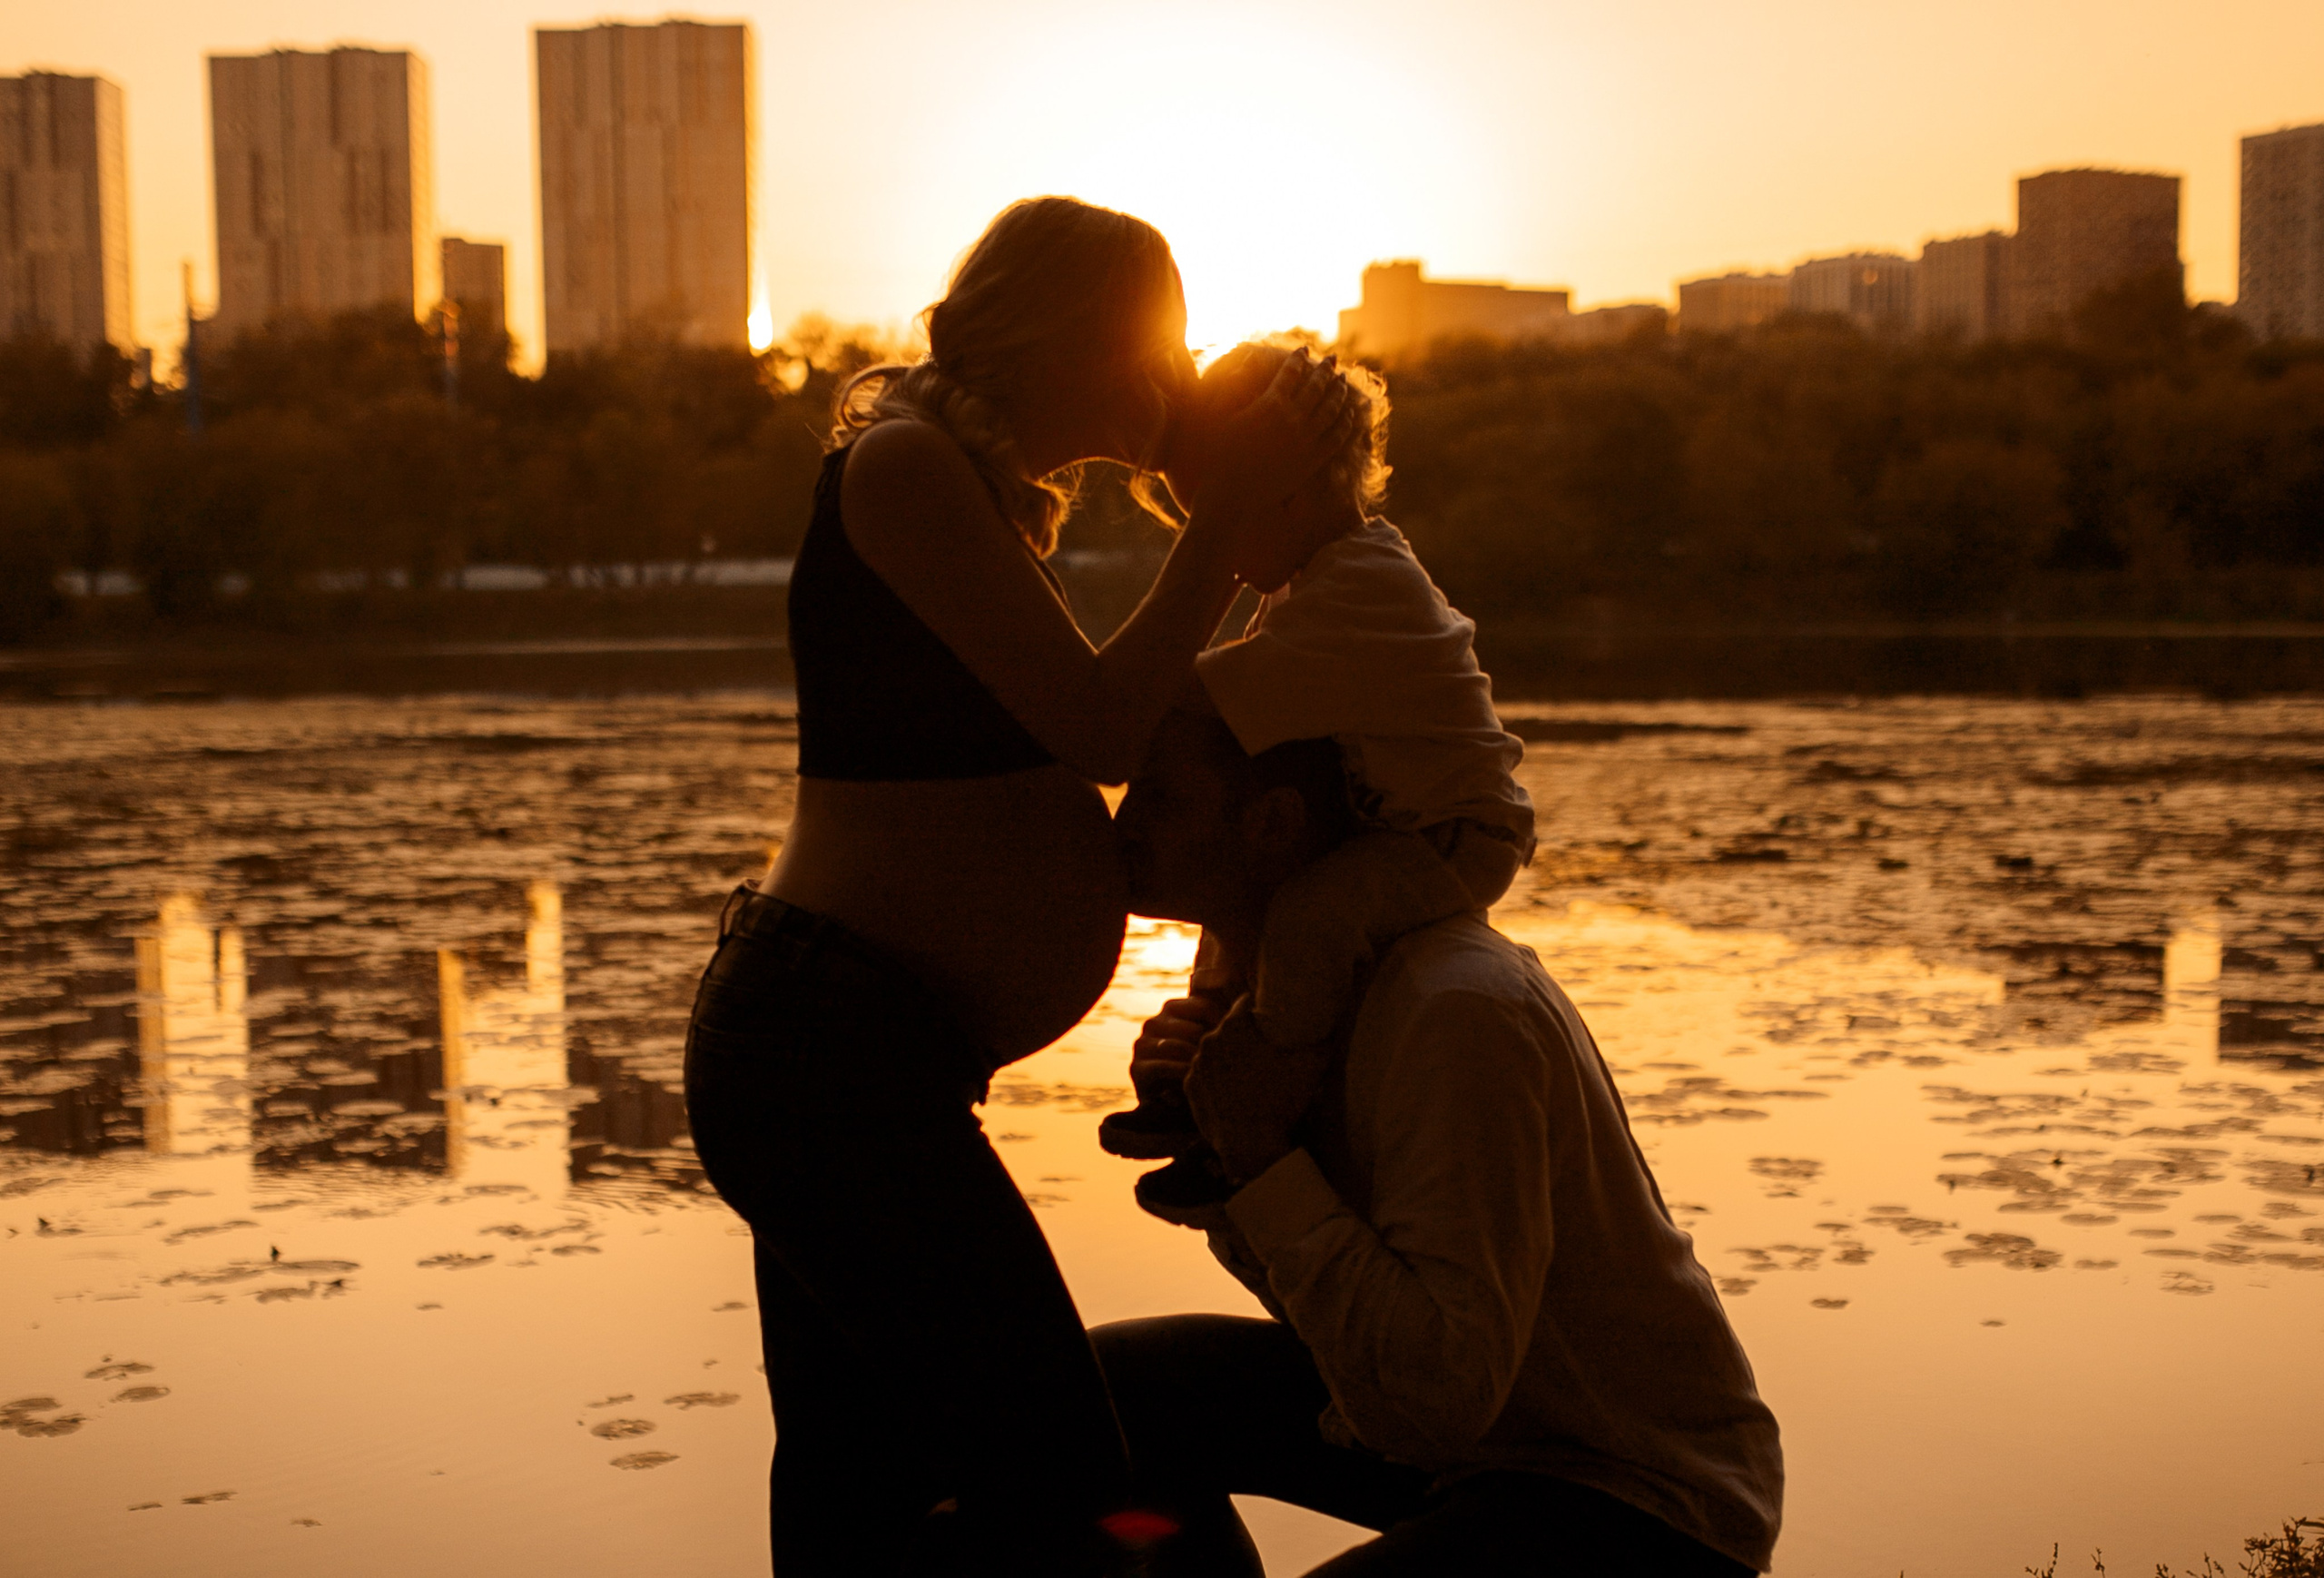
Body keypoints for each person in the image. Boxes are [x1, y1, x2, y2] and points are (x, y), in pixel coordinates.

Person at [681, 197, 1354, 1577]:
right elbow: (1103, 727)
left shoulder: (959, 483)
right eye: (1149, 347)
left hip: (858, 1058)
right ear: (1058, 332)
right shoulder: (904, 466)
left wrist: (1226, 472)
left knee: (863, 1489)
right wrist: (1222, 520)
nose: (1166, 378)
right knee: (1064, 1472)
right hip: (826, 1058)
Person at [1094, 706, 1786, 1576]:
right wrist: (1222, 1137)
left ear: (1271, 824)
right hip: (1465, 1438)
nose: (1121, 827)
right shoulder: (1279, 994)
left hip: (1629, 1492)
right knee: (1104, 1403)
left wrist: (1264, 1156)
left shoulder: (1457, 1008)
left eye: (1158, 800)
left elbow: (1436, 1395)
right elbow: (1343, 1331)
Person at [1097, 341, 1534, 1225]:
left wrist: (1087, 686)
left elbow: (1184, 698)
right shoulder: (1312, 575)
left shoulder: (1360, 585)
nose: (1214, 548)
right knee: (1234, 931)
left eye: (1220, 520)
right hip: (1398, 822)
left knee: (1305, 926)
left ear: (1289, 491)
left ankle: (1254, 1103)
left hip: (1450, 837)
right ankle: (1195, 1093)